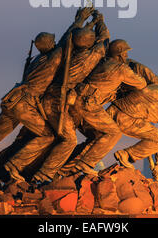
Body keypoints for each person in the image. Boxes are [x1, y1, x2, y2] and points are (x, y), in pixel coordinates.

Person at [0, 7, 93, 184]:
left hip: (12, 100)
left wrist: (85, 22)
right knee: (48, 135)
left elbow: (63, 40)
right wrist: (80, 20)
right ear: (49, 45)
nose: (55, 44)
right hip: (24, 104)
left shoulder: (36, 60)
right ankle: (13, 166)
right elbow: (66, 39)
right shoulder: (51, 59)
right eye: (52, 42)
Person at [7, 11, 111, 183]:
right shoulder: (89, 57)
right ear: (90, 42)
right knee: (69, 140)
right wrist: (100, 21)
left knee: (52, 136)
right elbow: (105, 39)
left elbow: (68, 38)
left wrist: (84, 22)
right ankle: (42, 174)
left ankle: (23, 167)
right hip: (57, 102)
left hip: (47, 99)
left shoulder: (65, 55)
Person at [62, 39, 147, 176]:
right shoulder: (121, 69)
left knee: (98, 135)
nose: (126, 56)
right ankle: (85, 164)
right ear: (119, 54)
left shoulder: (101, 62)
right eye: (125, 53)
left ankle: (66, 168)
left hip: (76, 99)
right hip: (88, 103)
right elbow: (141, 83)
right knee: (114, 132)